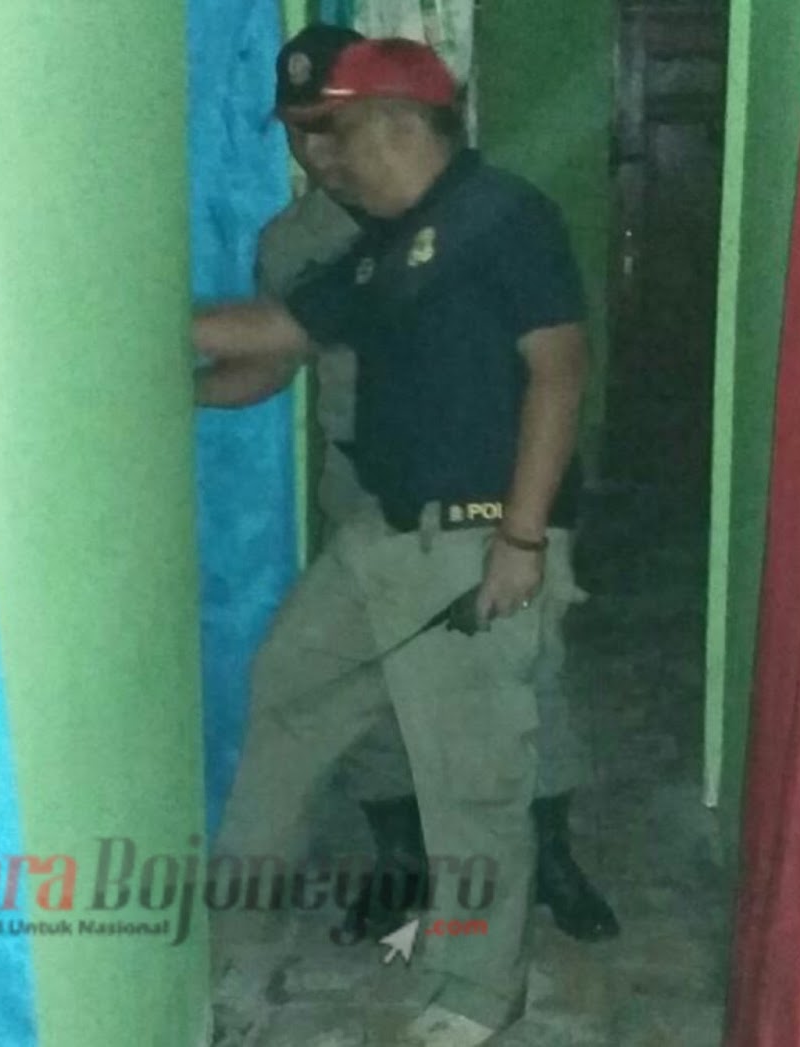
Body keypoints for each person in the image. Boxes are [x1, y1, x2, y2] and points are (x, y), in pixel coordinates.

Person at [198, 38, 597, 1046]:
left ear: (397, 124)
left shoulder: (503, 216)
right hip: (378, 537)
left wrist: (521, 536)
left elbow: (558, 370)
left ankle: (477, 990)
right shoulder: (384, 245)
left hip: (473, 543)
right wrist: (126, 349)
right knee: (287, 704)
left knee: (470, 779)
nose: (323, 158)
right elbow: (278, 332)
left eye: (336, 133)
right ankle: (234, 954)